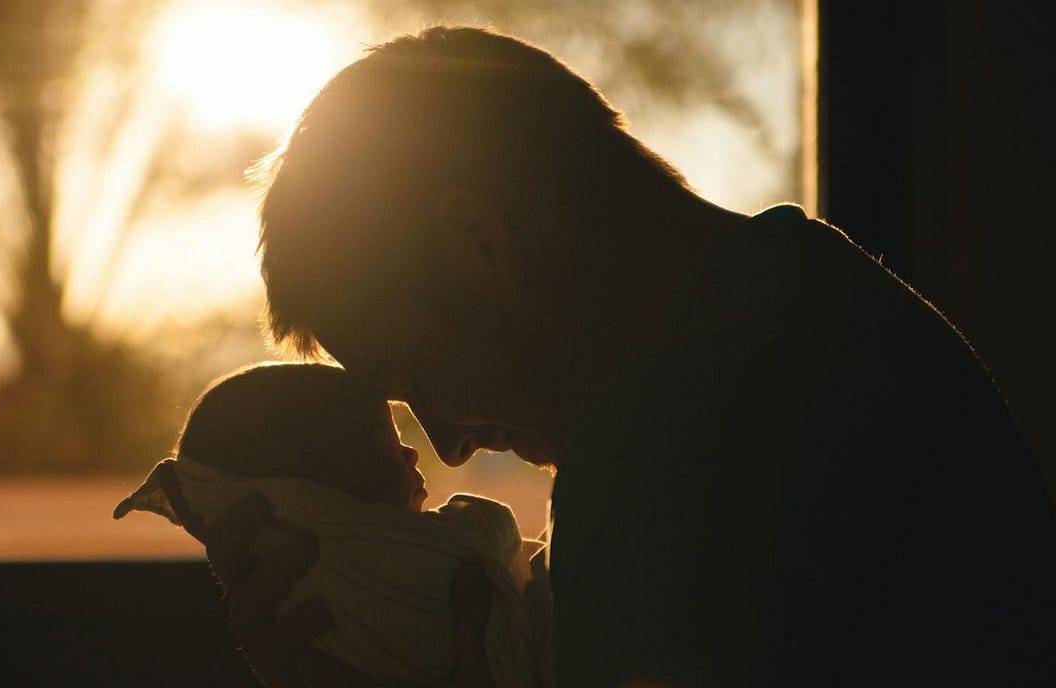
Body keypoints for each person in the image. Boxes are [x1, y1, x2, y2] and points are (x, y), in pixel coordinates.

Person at [168, 25, 1056, 687]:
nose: (447, 448)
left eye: (419, 380)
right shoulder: (822, 300)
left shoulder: (667, 455)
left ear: (479, 242)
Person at [115, 362, 553, 687]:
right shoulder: (378, 569)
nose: (430, 450)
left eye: (430, 377)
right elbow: (491, 537)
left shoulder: (301, 617)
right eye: (385, 450)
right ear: (314, 501)